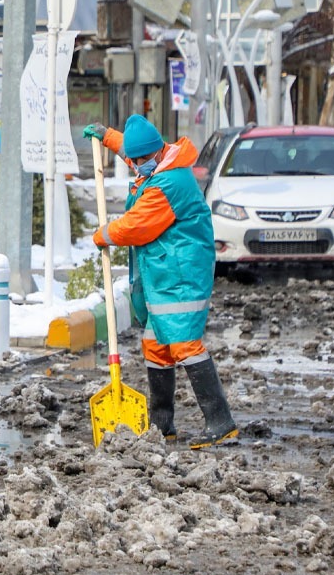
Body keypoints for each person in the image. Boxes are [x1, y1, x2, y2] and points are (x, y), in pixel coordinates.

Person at [84, 114, 237, 450]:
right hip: (164, 271)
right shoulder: (159, 159)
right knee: (155, 344)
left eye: (140, 161)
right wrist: (107, 135)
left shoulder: (169, 184)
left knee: (183, 343)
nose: (135, 165)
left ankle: (220, 421)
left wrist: (102, 235)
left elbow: (136, 227)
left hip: (182, 272)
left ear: (153, 155)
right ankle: (162, 423)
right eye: (135, 160)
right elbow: (132, 150)